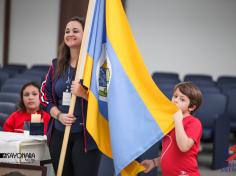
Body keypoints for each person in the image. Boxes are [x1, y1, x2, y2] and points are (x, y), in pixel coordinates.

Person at [40, 16, 101, 176]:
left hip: (86, 138)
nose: (70, 34)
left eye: (75, 31)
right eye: (67, 31)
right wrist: (59, 115)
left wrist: (85, 94)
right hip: (59, 135)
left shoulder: (96, 65)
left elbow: (107, 100)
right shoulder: (56, 64)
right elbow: (44, 97)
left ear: (85, 35)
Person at [141, 82, 203, 176]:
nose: (176, 100)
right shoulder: (171, 122)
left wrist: (178, 120)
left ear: (191, 107)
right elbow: (171, 152)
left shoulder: (194, 123)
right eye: (175, 96)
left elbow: (184, 147)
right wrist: (154, 162)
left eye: (182, 99)